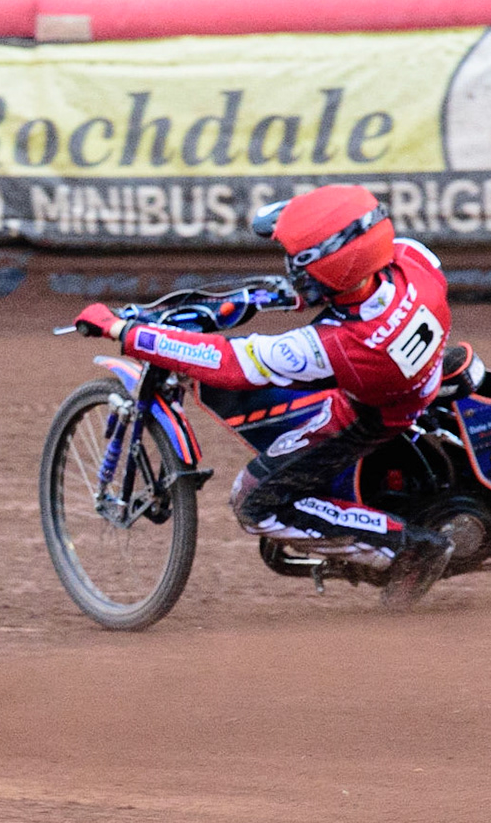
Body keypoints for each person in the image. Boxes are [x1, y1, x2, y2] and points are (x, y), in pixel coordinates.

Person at [74, 184, 455, 608]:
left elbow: (230, 364)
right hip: (418, 373)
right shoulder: (412, 259)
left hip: (373, 414)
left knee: (254, 502)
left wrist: (125, 332)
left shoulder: (339, 346)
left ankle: (409, 548)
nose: (291, 268)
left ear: (333, 268)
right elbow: (327, 283)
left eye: (299, 262)